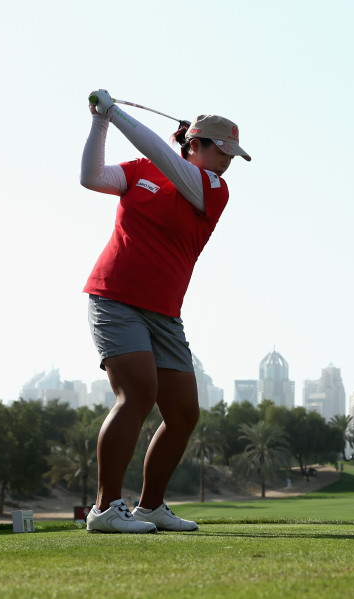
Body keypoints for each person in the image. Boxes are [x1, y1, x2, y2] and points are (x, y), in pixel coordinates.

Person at [80, 89, 250, 533]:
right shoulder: (142, 172)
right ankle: (104, 510)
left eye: (233, 154)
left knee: (184, 413)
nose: (228, 161)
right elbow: (91, 176)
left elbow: (164, 155)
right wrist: (102, 121)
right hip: (115, 296)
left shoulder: (213, 188)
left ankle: (150, 507)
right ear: (196, 144)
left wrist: (115, 113)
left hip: (164, 312)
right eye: (223, 151)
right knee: (137, 394)